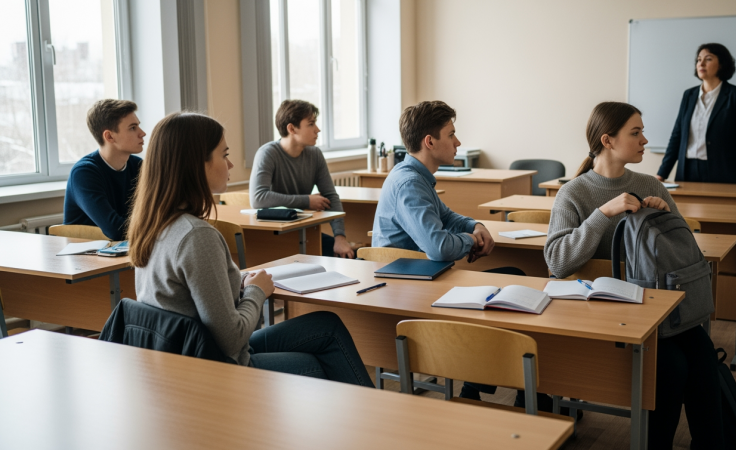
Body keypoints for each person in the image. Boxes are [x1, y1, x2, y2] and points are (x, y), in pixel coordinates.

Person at [128, 111, 373, 386]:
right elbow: (233, 339)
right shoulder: (196, 235)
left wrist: (241, 285)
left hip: (182, 356)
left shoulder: (155, 223)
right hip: (217, 368)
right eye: (224, 155)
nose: (231, 163)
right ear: (198, 164)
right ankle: (378, 420)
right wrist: (257, 291)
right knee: (324, 363)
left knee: (326, 325)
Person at [545, 102, 723, 449]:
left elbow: (685, 256)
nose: (645, 140)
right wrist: (602, 214)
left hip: (654, 310)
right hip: (601, 316)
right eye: (636, 132)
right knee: (670, 368)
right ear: (608, 140)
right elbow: (557, 261)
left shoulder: (650, 186)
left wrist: (664, 220)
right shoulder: (574, 192)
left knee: (703, 358)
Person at [372, 100, 541, 408]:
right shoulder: (410, 183)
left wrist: (474, 225)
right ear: (430, 142)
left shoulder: (413, 174)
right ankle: (514, 390)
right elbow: (438, 247)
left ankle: (482, 387)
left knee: (509, 281)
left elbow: (448, 217)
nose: (458, 142)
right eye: (451, 134)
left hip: (421, 281)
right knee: (514, 282)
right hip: (413, 291)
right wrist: (470, 240)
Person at [656, 43, 736, 192]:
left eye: (708, 59)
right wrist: (661, 175)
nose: (701, 63)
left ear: (722, 64)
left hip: (724, 171)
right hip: (688, 171)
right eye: (698, 59)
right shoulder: (688, 95)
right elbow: (677, 136)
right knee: (685, 215)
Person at [250, 100, 354, 258]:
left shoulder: (315, 154)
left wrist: (340, 238)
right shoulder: (267, 153)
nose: (317, 130)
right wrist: (306, 201)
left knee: (350, 256)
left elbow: (331, 196)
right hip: (273, 235)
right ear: (291, 128)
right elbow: (258, 199)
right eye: (311, 124)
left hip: (302, 233)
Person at [64, 99, 145, 240]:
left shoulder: (138, 166)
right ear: (109, 136)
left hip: (127, 252)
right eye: (133, 128)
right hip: (88, 258)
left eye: (138, 126)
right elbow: (116, 230)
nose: (142, 133)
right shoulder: (84, 173)